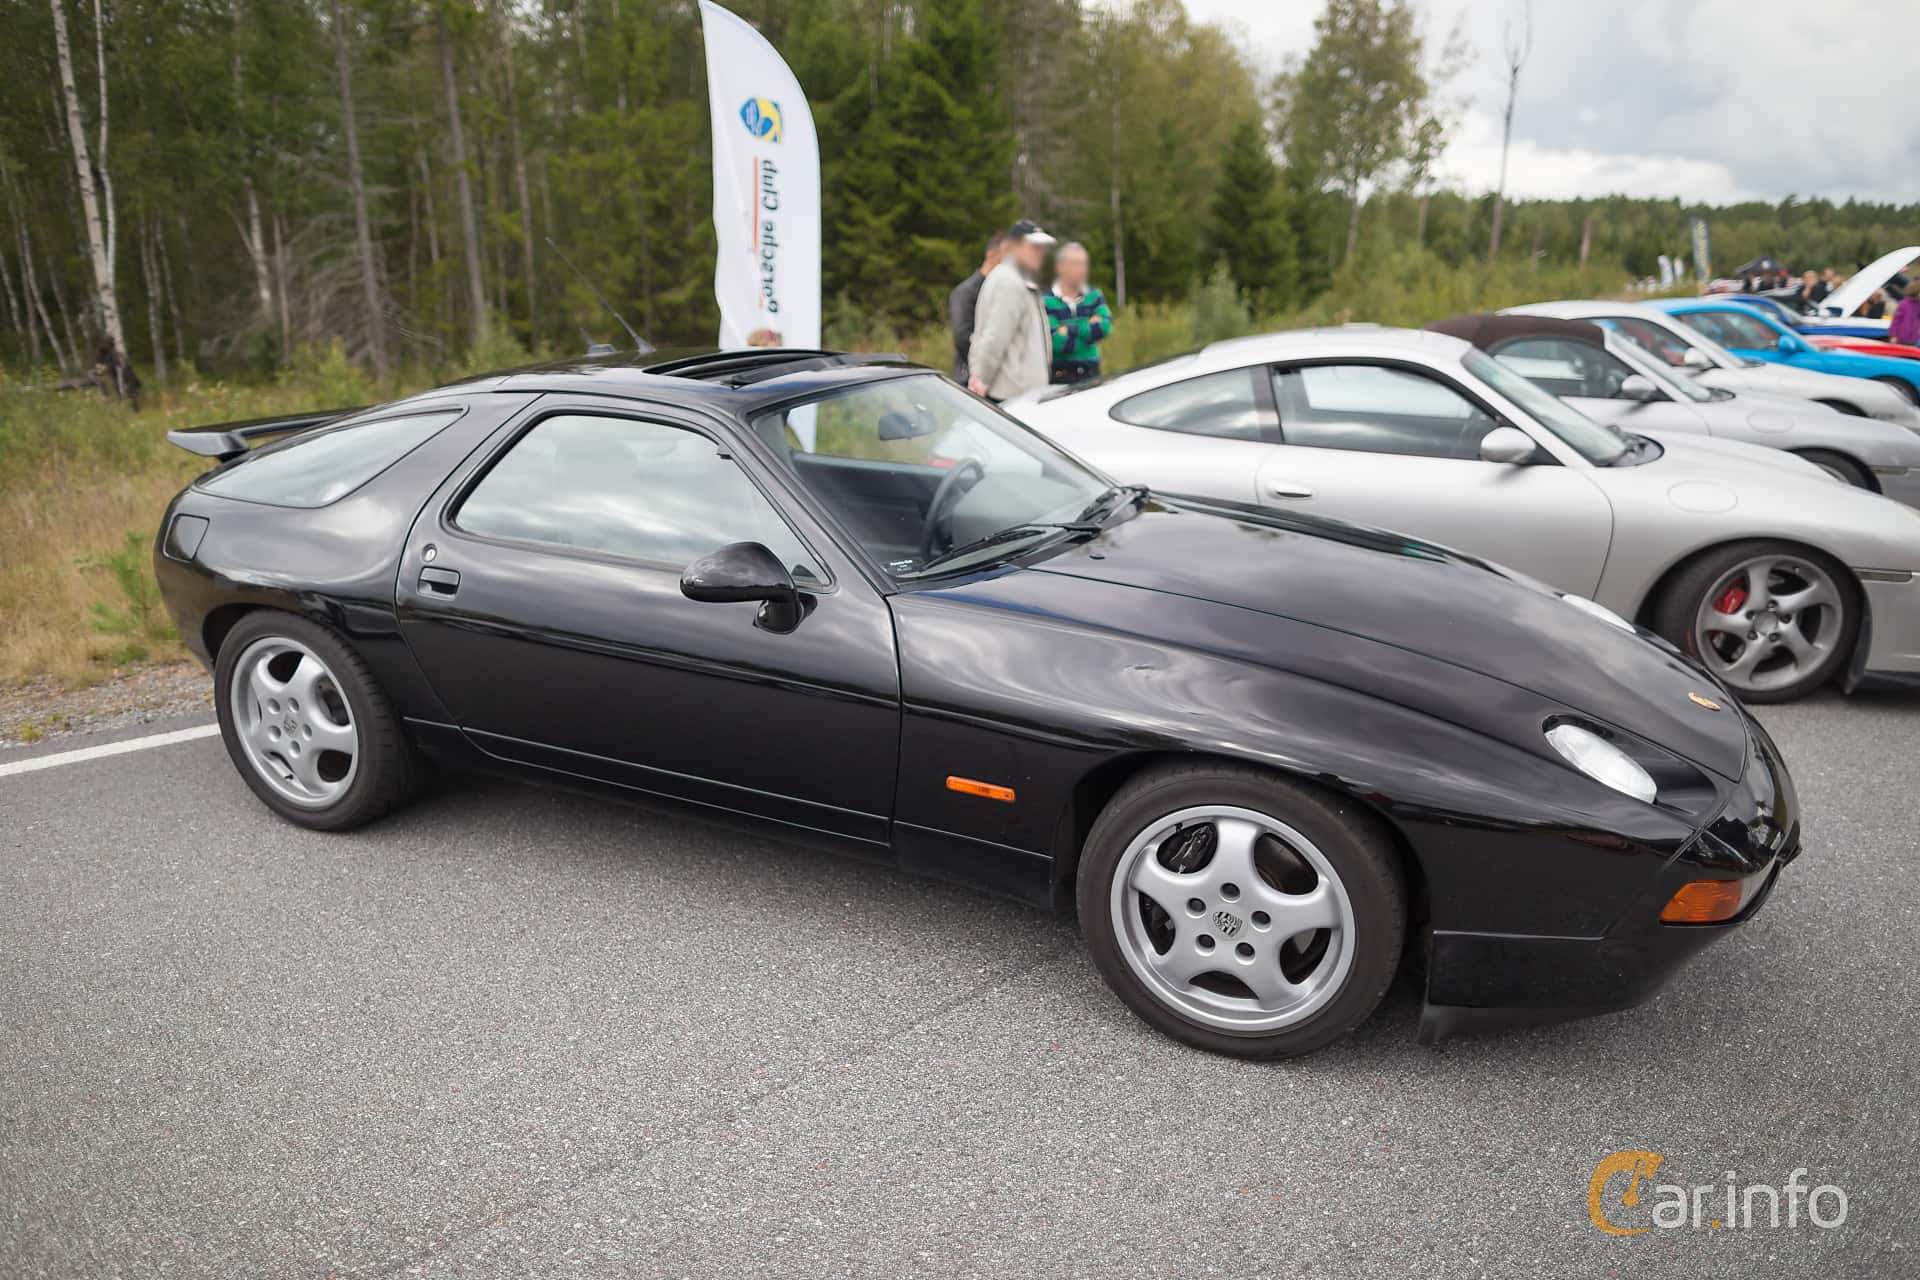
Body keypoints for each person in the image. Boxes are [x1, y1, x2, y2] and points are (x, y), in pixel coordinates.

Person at [966, 219, 1055, 403]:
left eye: (1042, 247)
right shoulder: (1010, 283)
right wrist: (980, 380)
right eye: (1034, 246)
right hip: (1013, 398)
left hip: (1019, 395)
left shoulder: (1012, 277)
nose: (1041, 253)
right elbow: (994, 339)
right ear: (1014, 246)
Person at [1043, 242, 1114, 385]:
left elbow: (1106, 328)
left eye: (1084, 264)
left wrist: (1067, 330)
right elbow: (1054, 343)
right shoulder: (1045, 301)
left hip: (1092, 374)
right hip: (1059, 378)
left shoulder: (1094, 295)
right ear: (1060, 267)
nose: (1082, 269)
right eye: (1076, 264)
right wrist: (1087, 329)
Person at [948, 231, 1007, 383]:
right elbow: (962, 338)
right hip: (971, 379)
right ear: (991, 255)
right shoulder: (965, 292)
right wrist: (984, 366)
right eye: (1005, 256)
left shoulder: (1005, 291)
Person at [1891, 280, 1920, 347]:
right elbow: (1896, 321)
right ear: (1915, 292)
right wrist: (1893, 335)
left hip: (1914, 338)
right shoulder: (1903, 304)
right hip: (1902, 337)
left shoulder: (1918, 305)